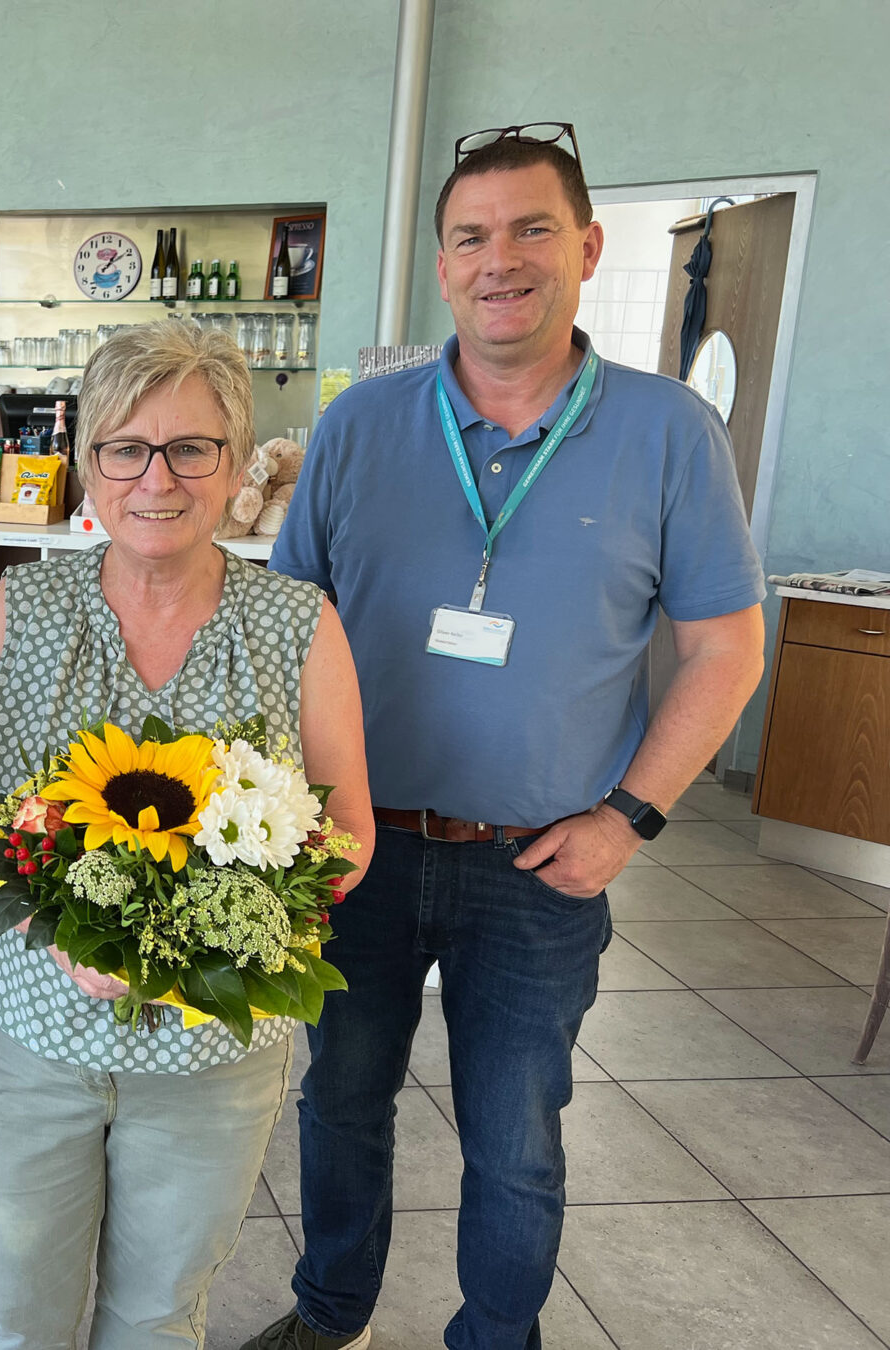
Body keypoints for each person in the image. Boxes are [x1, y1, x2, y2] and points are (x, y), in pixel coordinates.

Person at [242, 125, 767, 1350]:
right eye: (472, 236)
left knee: (515, 1137)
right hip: (356, 849)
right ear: (441, 265)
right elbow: (284, 632)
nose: (502, 261)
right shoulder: (360, 430)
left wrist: (627, 819)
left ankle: (496, 1338)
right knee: (340, 1105)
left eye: (533, 229)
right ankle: (331, 1320)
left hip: (543, 861)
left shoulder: (669, 433)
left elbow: (725, 649)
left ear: (585, 247)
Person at [0, 320, 375, 1349]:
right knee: (11, 1307)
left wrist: (218, 939)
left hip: (214, 1049)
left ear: (236, 464)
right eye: (124, 448)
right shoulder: (25, 604)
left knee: (160, 1314)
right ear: (89, 466)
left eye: (190, 448)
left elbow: (347, 825)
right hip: (31, 1030)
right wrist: (55, 921)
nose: (155, 478)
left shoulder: (299, 622)